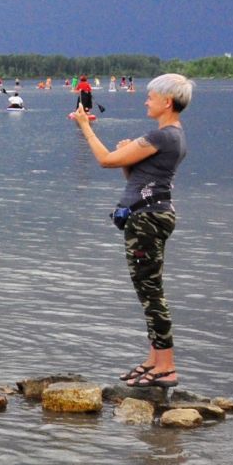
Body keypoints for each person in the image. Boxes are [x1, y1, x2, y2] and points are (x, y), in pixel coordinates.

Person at [73, 74, 191, 393]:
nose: (146, 100)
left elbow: (105, 160)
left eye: (151, 97)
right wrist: (129, 159)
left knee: (151, 292)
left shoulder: (163, 136)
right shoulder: (173, 136)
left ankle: (166, 367)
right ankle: (155, 360)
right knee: (148, 290)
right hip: (150, 216)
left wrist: (85, 126)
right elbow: (134, 177)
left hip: (147, 221)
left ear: (167, 101)